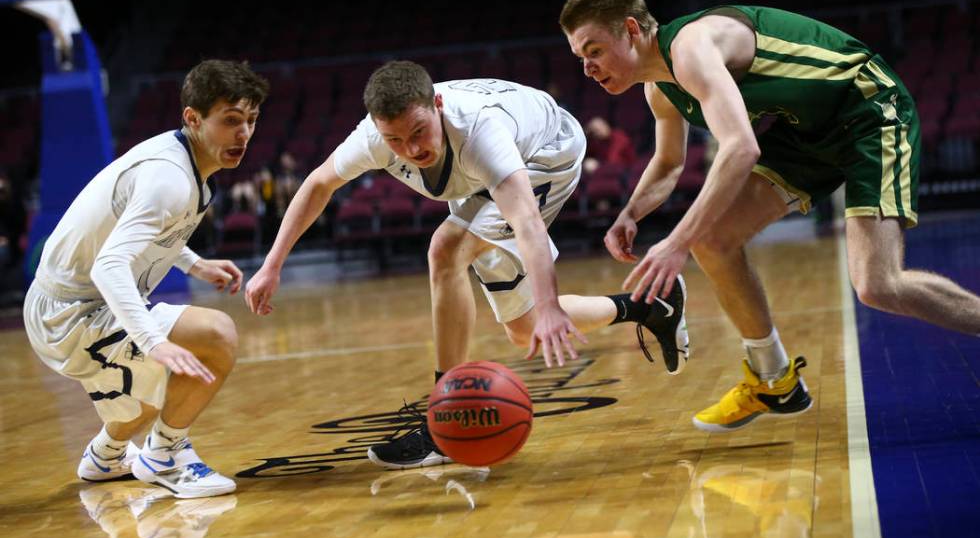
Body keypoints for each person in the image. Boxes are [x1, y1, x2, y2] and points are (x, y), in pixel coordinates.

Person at [560, 0, 980, 432]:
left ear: (631, 29)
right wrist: (630, 213)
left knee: (878, 285)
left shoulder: (691, 48)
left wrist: (676, 241)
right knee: (715, 242)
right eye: (580, 57)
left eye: (594, 50)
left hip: (866, 109)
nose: (587, 68)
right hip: (806, 133)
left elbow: (741, 148)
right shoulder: (659, 88)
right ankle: (773, 380)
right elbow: (667, 163)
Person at [244, 61, 689, 469]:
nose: (410, 149)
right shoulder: (376, 138)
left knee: (446, 249)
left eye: (418, 132)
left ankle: (442, 422)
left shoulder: (479, 131)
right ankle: (651, 305)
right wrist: (272, 265)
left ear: (437, 105)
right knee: (523, 328)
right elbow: (319, 183)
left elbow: (528, 222)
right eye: (395, 140)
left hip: (547, 152)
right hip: (478, 177)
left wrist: (552, 303)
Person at [23, 59, 269, 496]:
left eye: (250, 120)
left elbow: (150, 231)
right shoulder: (169, 177)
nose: (244, 134)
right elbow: (109, 266)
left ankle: (105, 458)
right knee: (215, 335)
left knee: (143, 394)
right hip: (70, 312)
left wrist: (194, 264)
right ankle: (165, 456)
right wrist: (155, 343)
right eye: (231, 121)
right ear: (192, 118)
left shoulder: (187, 160)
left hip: (70, 303)